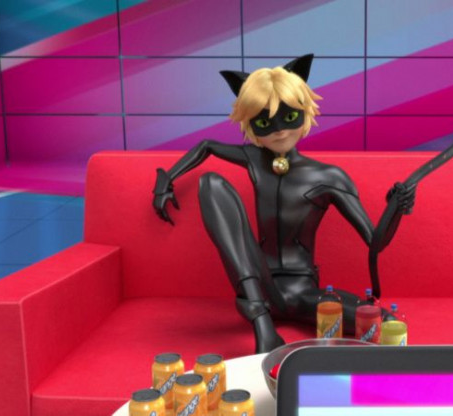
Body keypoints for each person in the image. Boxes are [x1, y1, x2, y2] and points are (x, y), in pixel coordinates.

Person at [152, 54, 415, 353]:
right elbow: (207, 146)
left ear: (305, 112)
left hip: (304, 294)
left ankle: (264, 322)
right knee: (210, 182)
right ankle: (263, 326)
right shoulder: (255, 159)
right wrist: (166, 179)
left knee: (386, 321)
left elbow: (375, 241)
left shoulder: (329, 177)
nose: (279, 131)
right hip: (259, 289)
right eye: (264, 123)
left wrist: (397, 208)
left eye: (289, 118)